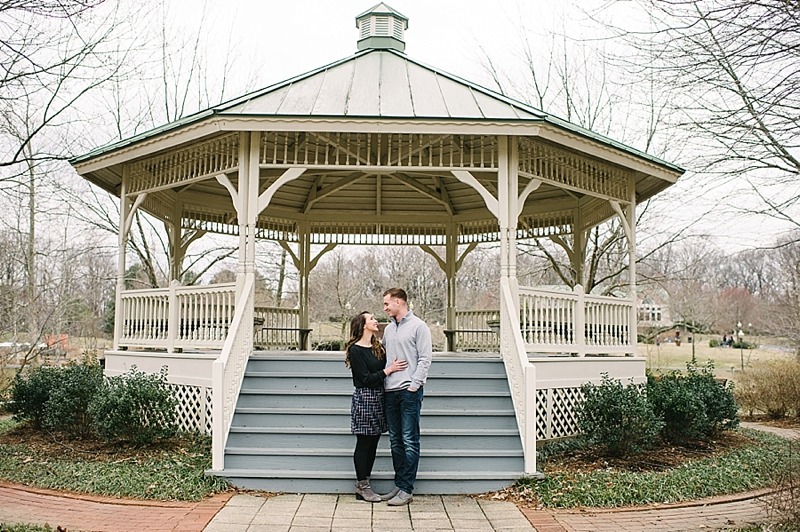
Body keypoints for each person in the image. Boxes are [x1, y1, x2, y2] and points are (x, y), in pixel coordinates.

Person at [345, 311, 407, 502]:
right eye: (371, 319)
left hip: (380, 398)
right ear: (363, 325)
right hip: (365, 399)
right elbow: (365, 379)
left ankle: (366, 484)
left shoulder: (377, 346)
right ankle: (362, 485)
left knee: (373, 443)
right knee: (364, 443)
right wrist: (388, 370)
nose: (375, 320)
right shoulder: (355, 350)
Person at [380, 288, 433, 506]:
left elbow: (425, 359)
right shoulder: (389, 330)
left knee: (410, 440)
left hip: (409, 392)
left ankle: (407, 489)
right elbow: (383, 356)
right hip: (390, 392)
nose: (384, 308)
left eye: (387, 304)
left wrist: (414, 385)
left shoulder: (419, 326)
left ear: (399, 302)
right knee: (395, 441)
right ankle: (400, 484)